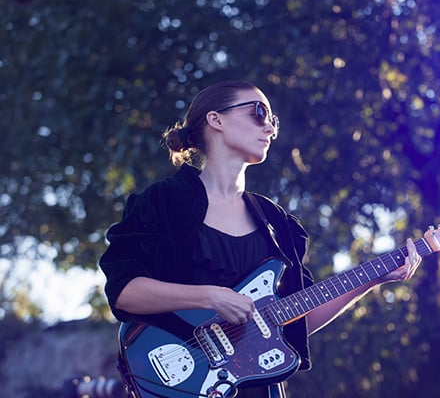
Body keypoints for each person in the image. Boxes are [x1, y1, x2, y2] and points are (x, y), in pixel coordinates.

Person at [99, 80, 422, 398]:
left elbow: (298, 322)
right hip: (180, 382)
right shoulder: (164, 201)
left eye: (273, 120)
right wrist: (209, 297)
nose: (270, 128)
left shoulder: (275, 222)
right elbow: (125, 293)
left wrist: (373, 279)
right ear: (216, 119)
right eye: (259, 113)